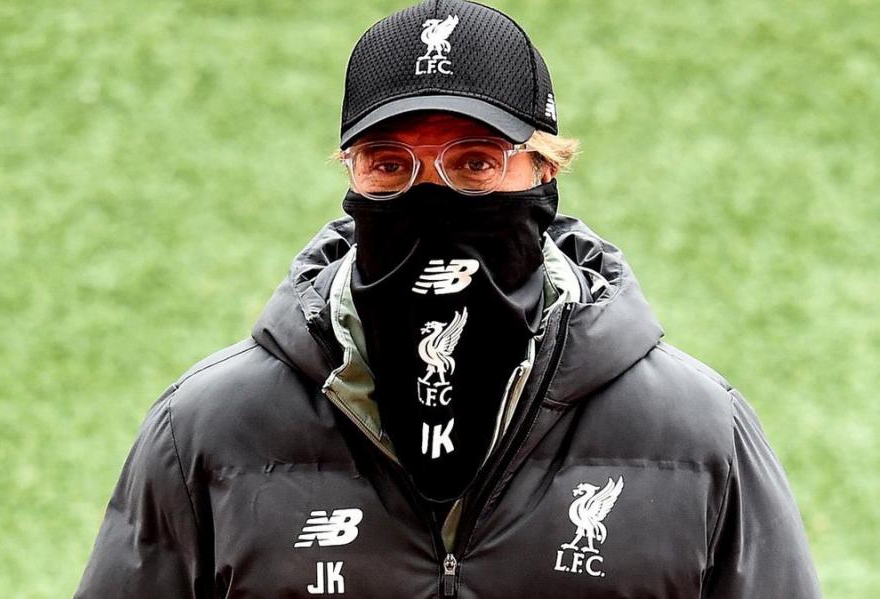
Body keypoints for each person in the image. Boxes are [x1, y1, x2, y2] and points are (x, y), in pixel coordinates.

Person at [74, 1, 822, 597]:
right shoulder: (206, 430)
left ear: (545, 171)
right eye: (388, 164)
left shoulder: (698, 432)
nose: (428, 194)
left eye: (475, 163)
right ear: (350, 174)